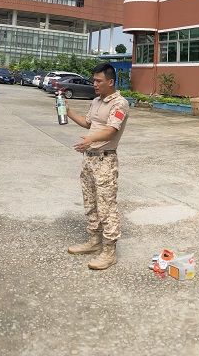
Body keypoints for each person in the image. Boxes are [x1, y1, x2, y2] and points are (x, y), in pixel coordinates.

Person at [64, 63, 129, 271]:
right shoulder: (96, 101)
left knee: (106, 207)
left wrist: (90, 140)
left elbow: (111, 130)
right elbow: (88, 123)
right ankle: (94, 241)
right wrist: (68, 111)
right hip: (89, 159)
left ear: (110, 82)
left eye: (99, 81)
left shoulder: (120, 103)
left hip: (105, 161)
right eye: (93, 80)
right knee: (90, 202)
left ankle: (109, 252)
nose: (94, 84)